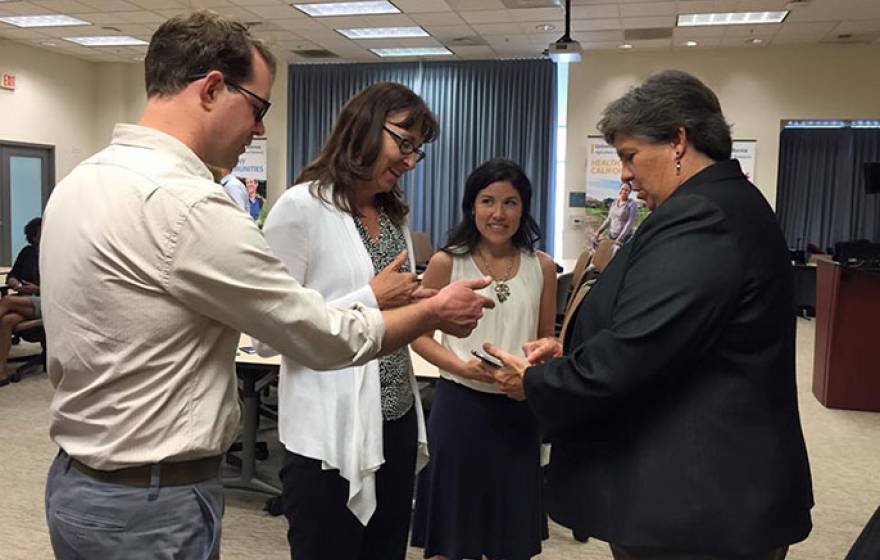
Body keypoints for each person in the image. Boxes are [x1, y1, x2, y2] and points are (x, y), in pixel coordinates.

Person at [39, 11, 493, 560]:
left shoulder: (81, 182)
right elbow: (311, 333)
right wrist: (428, 312)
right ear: (211, 88)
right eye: (258, 109)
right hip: (154, 499)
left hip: (83, 482)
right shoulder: (190, 207)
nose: (258, 131)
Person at [485, 70, 814, 560]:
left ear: (678, 141)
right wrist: (571, 349)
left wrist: (536, 383)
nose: (624, 173)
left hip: (700, 506)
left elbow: (637, 350)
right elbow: (664, 327)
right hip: (706, 495)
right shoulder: (725, 202)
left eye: (630, 155)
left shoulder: (700, 216)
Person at [257, 81, 438, 560]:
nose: (410, 161)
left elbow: (392, 310)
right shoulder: (300, 208)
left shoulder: (391, 213)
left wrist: (429, 308)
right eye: (404, 142)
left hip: (395, 419)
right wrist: (370, 297)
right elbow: (268, 333)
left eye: (418, 149)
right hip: (329, 437)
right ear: (362, 127)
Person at [410, 158, 556, 560]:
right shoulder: (446, 263)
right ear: (471, 207)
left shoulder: (541, 267)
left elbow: (546, 335)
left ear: (523, 208)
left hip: (519, 410)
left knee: (511, 540)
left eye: (510, 202)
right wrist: (461, 367)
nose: (498, 213)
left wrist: (544, 355)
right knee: (452, 539)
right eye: (487, 201)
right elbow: (417, 335)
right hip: (460, 408)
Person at [593, 181, 637, 251]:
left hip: (624, 237)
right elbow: (609, 219)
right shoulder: (614, 202)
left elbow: (630, 222)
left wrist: (620, 238)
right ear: (619, 189)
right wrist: (599, 231)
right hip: (611, 235)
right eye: (622, 189)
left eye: (626, 190)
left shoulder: (632, 204)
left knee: (619, 257)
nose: (624, 191)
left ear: (629, 192)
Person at [7, 217, 41, 294]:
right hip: (25, 296)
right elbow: (12, 274)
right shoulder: (26, 252)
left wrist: (38, 290)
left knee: (6, 302)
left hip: (44, 299)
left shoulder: (54, 255)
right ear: (34, 237)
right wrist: (13, 281)